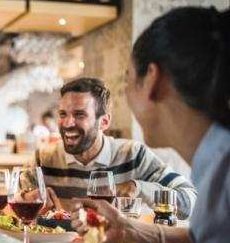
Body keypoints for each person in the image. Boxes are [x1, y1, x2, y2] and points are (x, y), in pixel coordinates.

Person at [61, 6, 230, 243]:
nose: (125, 92)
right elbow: (214, 242)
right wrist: (132, 230)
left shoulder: (225, 167)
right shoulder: (215, 156)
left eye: (127, 80)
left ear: (152, 79)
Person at [34, 77, 196, 219]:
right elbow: (18, 203)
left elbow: (191, 201)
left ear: (104, 122)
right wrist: (30, 198)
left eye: (79, 115)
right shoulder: (44, 158)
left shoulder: (134, 156)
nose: (68, 123)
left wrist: (139, 188)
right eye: (63, 114)